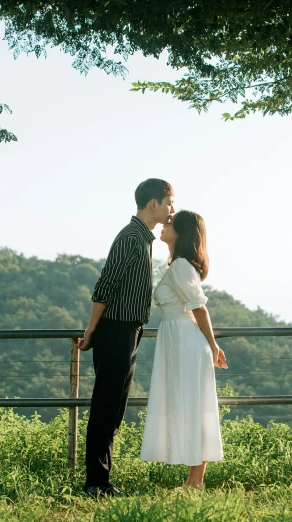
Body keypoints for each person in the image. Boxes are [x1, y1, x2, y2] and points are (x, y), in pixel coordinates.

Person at [77, 178, 174, 498]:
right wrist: (92, 329)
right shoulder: (130, 237)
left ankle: (102, 481)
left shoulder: (143, 238)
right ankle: (95, 483)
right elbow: (105, 286)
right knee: (106, 406)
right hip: (115, 329)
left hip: (128, 331)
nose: (172, 208)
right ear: (153, 204)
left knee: (115, 407)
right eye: (169, 201)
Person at [140, 210, 228, 490]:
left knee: (193, 407)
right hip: (178, 339)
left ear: (181, 233)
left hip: (186, 341)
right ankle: (194, 481)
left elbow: (199, 307)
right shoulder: (178, 265)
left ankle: (196, 482)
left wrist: (213, 346)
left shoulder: (180, 266)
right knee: (191, 406)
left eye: (169, 224)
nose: (164, 226)